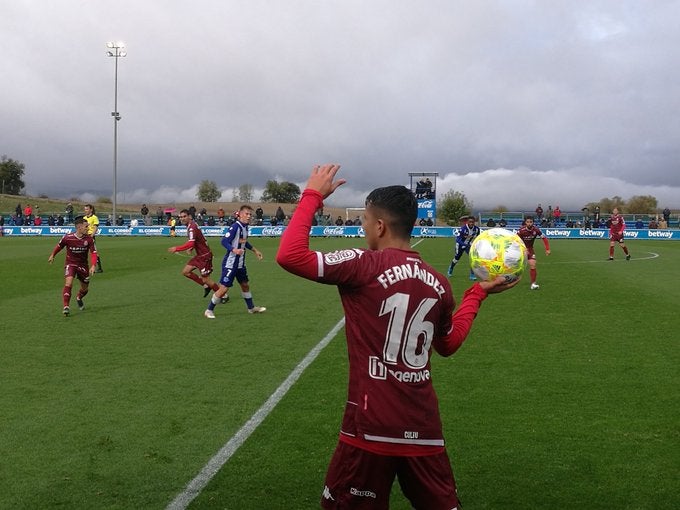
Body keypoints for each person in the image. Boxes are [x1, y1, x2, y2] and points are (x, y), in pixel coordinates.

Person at [276, 164, 517, 509]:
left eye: (364, 222)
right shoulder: (438, 283)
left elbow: (290, 256)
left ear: (379, 225)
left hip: (370, 429)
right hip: (424, 429)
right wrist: (476, 295)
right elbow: (447, 345)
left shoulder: (364, 264)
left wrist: (312, 195)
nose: (363, 229)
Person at [204, 205, 265, 318]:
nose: (249, 216)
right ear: (240, 214)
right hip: (231, 263)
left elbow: (244, 242)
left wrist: (255, 250)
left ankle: (251, 308)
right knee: (223, 289)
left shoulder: (245, 227)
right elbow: (224, 241)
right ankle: (209, 310)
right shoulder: (235, 227)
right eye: (246, 214)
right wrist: (233, 249)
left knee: (245, 285)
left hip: (240, 263)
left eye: (250, 214)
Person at [48, 215, 98, 316]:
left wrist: (93, 265)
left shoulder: (89, 239)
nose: (88, 228)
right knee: (68, 283)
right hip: (70, 263)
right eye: (86, 226)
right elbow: (59, 246)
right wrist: (53, 255)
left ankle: (79, 297)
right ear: (79, 227)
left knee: (85, 289)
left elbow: (93, 253)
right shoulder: (68, 237)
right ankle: (66, 306)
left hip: (83, 265)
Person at [167, 209, 219, 297]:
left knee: (206, 279)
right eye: (180, 217)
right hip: (200, 256)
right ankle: (206, 286)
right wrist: (192, 248)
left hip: (204, 256)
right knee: (186, 272)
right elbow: (197, 240)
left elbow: (191, 242)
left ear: (189, 217)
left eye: (184, 216)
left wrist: (176, 248)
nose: (182, 219)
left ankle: (222, 295)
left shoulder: (192, 227)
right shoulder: (191, 225)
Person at [517, 216, 551, 289]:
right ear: (525, 223)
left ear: (533, 222)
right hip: (520, 249)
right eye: (528, 222)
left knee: (533, 264)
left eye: (531, 222)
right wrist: (523, 249)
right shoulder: (521, 230)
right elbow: (515, 240)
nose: (529, 223)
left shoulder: (536, 230)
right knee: (515, 266)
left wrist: (547, 249)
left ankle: (533, 284)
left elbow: (544, 238)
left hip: (530, 249)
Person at [447, 215, 480, 279]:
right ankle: (451, 268)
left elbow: (478, 237)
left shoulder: (476, 229)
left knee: (472, 258)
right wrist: (464, 245)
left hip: (468, 245)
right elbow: (458, 239)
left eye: (473, 222)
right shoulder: (463, 229)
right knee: (456, 259)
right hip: (460, 245)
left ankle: (472, 275)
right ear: (467, 222)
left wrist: (476, 243)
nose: (471, 223)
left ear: (474, 222)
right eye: (470, 222)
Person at [83, 204, 104, 273]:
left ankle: (99, 268)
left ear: (91, 210)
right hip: (84, 236)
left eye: (87, 209)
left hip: (90, 236)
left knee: (93, 252)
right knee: (83, 252)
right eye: (85, 209)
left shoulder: (94, 217)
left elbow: (95, 228)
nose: (85, 210)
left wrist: (91, 236)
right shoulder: (84, 218)